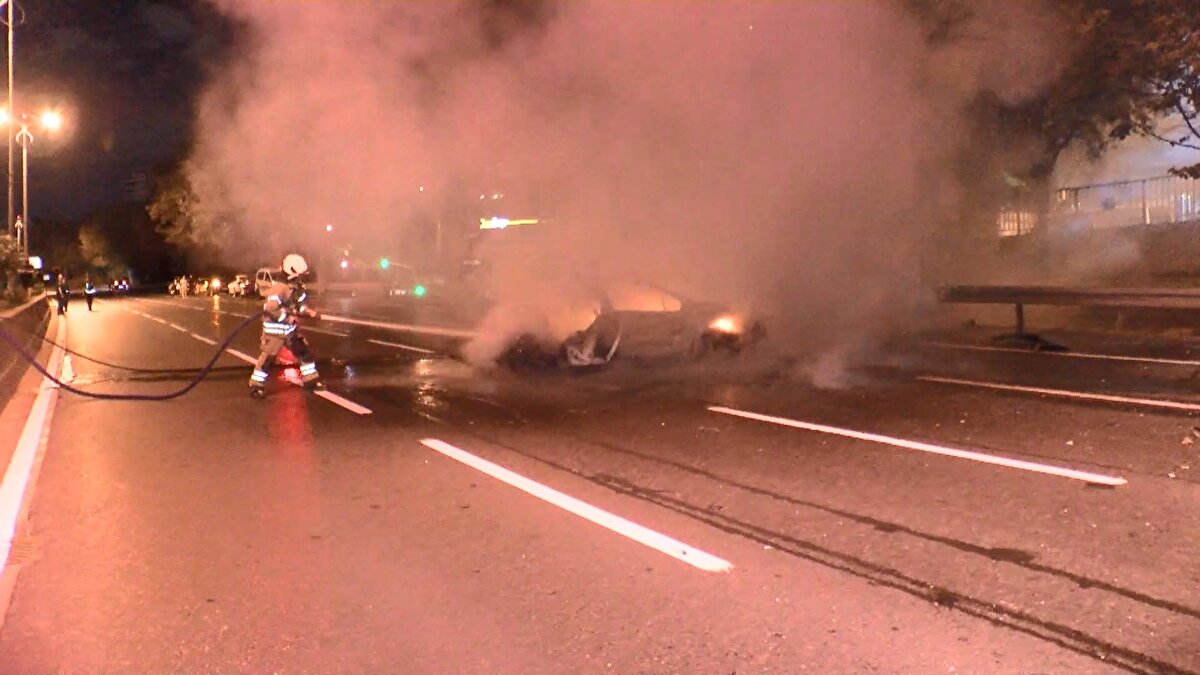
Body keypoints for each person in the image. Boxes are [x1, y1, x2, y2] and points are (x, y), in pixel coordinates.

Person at [248, 254, 325, 399]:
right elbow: (271, 309)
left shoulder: (296, 287)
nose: (301, 277)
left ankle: (311, 380)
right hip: (275, 331)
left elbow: (299, 305)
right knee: (268, 359)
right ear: (291, 272)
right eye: (299, 274)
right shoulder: (279, 288)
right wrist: (287, 317)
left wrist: (309, 312)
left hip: (289, 330)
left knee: (303, 352)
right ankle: (256, 385)